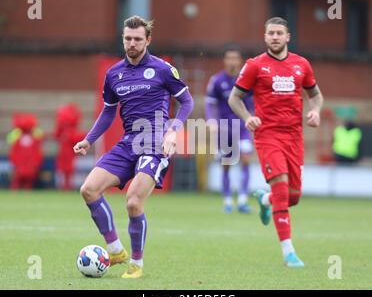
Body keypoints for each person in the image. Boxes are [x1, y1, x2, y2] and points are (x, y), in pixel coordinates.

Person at [73, 15, 194, 278]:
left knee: (133, 202)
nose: (132, 43)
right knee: (89, 190)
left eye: (138, 39)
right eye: (128, 38)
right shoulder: (114, 73)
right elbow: (107, 113)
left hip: (155, 144)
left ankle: (136, 264)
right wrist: (88, 139)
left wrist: (173, 132)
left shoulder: (163, 69)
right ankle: (115, 250)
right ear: (123, 38)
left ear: (148, 40)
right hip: (129, 142)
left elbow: (187, 103)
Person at [228, 17, 324, 267]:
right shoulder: (255, 65)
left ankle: (265, 200)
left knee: (293, 197)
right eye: (270, 33)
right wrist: (248, 118)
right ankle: (288, 252)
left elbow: (315, 94)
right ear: (265, 37)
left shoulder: (301, 64)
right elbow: (234, 98)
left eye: (279, 33)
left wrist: (315, 111)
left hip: (294, 137)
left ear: (287, 37)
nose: (275, 37)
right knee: (281, 190)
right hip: (268, 135)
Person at [205, 46, 254, 214]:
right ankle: (227, 200)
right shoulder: (217, 80)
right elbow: (210, 103)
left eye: (235, 58)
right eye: (229, 58)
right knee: (226, 164)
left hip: (243, 127)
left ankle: (242, 200)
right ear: (225, 61)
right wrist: (211, 120)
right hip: (225, 129)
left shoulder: (246, 79)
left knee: (246, 159)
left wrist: (254, 118)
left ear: (239, 60)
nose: (232, 61)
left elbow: (254, 103)